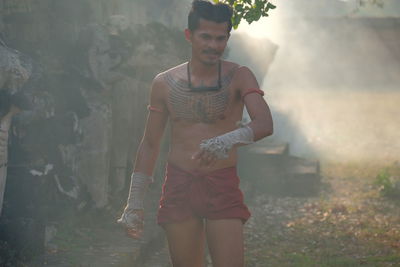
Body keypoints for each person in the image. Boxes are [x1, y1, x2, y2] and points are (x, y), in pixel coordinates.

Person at [118, 1, 273, 266]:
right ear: (189, 36)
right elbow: (150, 144)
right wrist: (134, 202)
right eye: (206, 37)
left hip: (221, 183)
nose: (213, 45)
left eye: (220, 38)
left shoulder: (239, 75)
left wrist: (228, 139)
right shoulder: (164, 82)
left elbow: (264, 124)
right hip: (179, 184)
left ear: (227, 37)